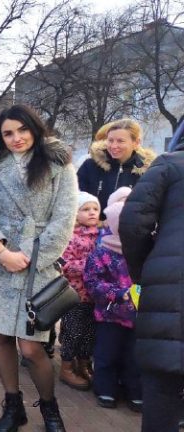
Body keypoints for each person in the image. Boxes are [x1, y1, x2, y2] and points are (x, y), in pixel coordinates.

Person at [0, 105, 76, 431]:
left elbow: (64, 220)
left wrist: (28, 257)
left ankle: (50, 408)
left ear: (35, 128)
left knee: (31, 347)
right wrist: (2, 251)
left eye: (22, 130)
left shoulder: (59, 164)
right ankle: (13, 405)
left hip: (37, 262)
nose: (16, 138)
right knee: (1, 338)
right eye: (8, 133)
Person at [119, 140, 184, 432]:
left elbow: (133, 223)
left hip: (169, 287)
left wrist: (145, 269)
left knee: (162, 387)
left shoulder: (170, 163)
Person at [84, 187, 141, 412]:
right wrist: (118, 293)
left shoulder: (140, 251)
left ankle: (134, 390)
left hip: (137, 316)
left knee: (134, 357)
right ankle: (105, 389)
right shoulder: (102, 252)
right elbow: (92, 282)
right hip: (109, 315)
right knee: (107, 354)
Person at [57, 192, 101, 391]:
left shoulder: (101, 235)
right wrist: (92, 266)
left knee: (89, 333)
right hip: (74, 295)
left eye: (95, 209)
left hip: (94, 295)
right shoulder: (71, 236)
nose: (92, 212)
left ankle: (83, 364)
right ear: (75, 213)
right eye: (86, 209)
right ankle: (66, 367)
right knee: (73, 332)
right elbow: (65, 264)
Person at [77, 119, 155, 215]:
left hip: (129, 224)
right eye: (110, 140)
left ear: (136, 143)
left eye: (120, 141)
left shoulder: (148, 172)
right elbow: (76, 199)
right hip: (93, 224)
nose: (114, 146)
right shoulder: (90, 166)